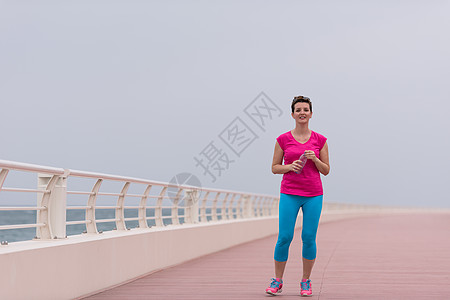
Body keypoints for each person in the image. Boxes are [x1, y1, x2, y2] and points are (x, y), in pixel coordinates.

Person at [265, 96, 330, 297]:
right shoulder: (283, 139)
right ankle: (277, 281)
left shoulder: (320, 140)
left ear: (311, 114)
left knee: (309, 238)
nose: (302, 113)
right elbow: (274, 168)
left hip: (313, 195)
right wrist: (289, 166)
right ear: (292, 114)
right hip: (289, 193)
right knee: (284, 237)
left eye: (306, 109)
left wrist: (315, 159)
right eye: (298, 109)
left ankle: (306, 281)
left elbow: (326, 170)